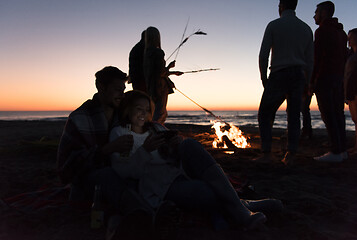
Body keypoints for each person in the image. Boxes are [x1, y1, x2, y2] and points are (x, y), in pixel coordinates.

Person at [109, 90, 283, 231]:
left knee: (190, 144)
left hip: (181, 171)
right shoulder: (121, 133)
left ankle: (239, 210)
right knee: (206, 192)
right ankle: (241, 204)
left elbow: (173, 155)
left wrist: (176, 145)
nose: (143, 114)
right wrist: (145, 151)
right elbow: (125, 172)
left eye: (147, 110)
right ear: (127, 109)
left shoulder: (156, 127)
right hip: (160, 186)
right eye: (138, 108)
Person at [57, 66, 154, 238]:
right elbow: (67, 168)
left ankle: (122, 223)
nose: (122, 95)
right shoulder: (80, 117)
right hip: (91, 181)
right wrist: (106, 150)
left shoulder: (123, 115)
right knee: (107, 175)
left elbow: (147, 128)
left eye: (123, 90)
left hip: (125, 173)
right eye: (117, 90)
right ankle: (144, 216)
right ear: (100, 87)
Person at [257, 0, 314, 164]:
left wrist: (264, 78)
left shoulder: (274, 25)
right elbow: (310, 60)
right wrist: (308, 82)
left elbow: (263, 55)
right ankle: (291, 154)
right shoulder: (306, 28)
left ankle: (267, 153)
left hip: (279, 72)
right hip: (299, 74)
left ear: (281, 6)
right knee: (294, 115)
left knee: (265, 113)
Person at [310, 1, 348, 162]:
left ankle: (335, 151)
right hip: (339, 79)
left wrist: (312, 81)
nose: (314, 15)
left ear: (324, 13)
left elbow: (317, 59)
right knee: (338, 114)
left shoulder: (322, 31)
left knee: (328, 114)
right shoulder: (342, 33)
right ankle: (342, 150)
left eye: (316, 12)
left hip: (325, 78)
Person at [143, 26, 183, 124]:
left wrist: (173, 72)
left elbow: (155, 72)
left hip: (151, 86)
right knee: (160, 113)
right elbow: (161, 73)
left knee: (158, 112)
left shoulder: (146, 53)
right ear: (157, 37)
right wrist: (170, 68)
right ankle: (155, 133)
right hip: (160, 86)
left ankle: (155, 131)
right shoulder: (158, 52)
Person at [344, 28, 357, 154]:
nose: (348, 39)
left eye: (351, 37)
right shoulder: (350, 54)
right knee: (356, 119)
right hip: (351, 91)